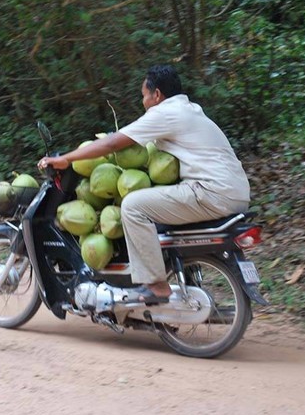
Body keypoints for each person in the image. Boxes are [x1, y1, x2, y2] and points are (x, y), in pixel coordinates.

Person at [38, 65, 250, 303]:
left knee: (132, 205)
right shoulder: (191, 109)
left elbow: (112, 144)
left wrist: (65, 159)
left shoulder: (165, 113)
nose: (144, 103)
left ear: (157, 94)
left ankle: (156, 286)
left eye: (144, 96)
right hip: (236, 192)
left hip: (210, 192)